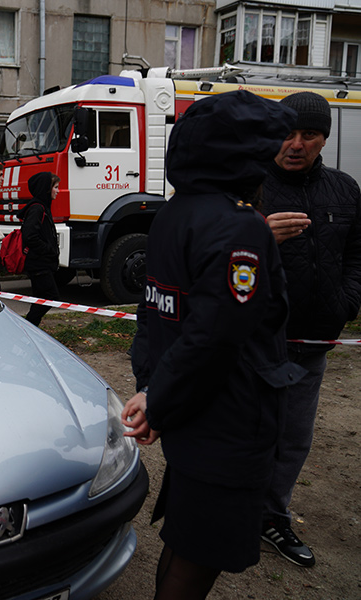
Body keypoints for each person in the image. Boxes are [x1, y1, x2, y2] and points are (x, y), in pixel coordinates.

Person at [120, 91, 303, 599]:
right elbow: (214, 338)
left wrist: (155, 392)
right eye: (264, 149)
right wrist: (158, 398)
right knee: (197, 558)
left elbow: (153, 317)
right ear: (240, 157)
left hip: (191, 414)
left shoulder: (175, 214)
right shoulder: (240, 228)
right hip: (229, 421)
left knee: (186, 539)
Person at [259, 91, 361, 567]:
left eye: (310, 135)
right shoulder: (248, 188)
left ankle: (271, 516)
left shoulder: (345, 190)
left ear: (324, 139)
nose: (296, 144)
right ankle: (232, 514)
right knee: (247, 433)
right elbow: (205, 257)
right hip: (254, 343)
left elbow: (357, 255)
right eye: (287, 133)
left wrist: (347, 302)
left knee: (294, 438)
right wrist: (255, 233)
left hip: (314, 344)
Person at [18, 172, 62, 326]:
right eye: (55, 187)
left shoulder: (42, 207)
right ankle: (29, 326)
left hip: (41, 263)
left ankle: (30, 328)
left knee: (40, 299)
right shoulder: (37, 209)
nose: (58, 191)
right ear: (46, 189)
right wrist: (48, 249)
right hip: (39, 264)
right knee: (50, 297)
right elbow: (30, 236)